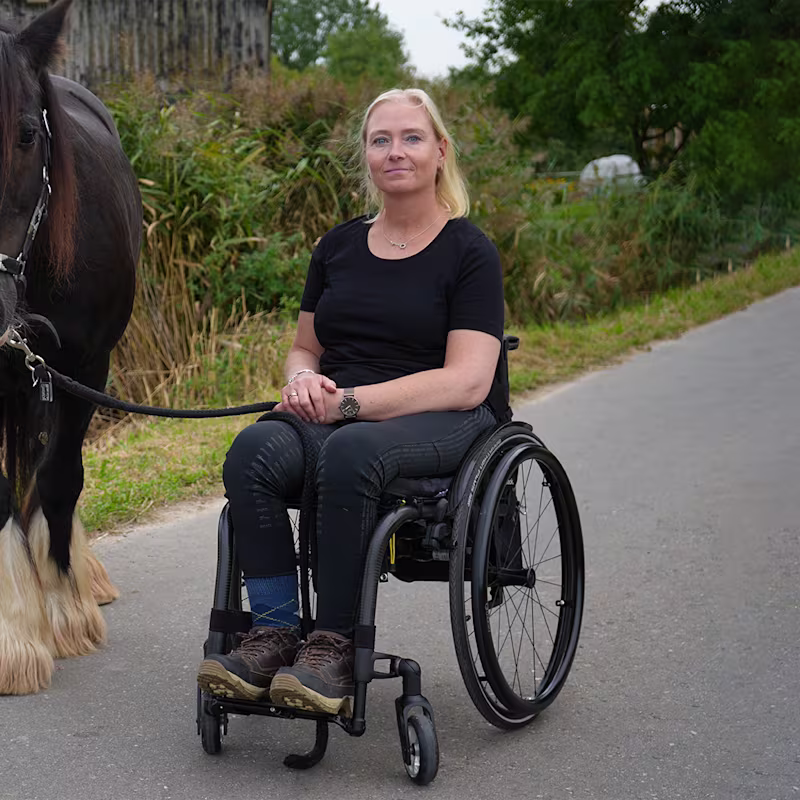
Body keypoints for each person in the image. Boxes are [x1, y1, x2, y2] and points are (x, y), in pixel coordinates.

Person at [196, 88, 508, 717]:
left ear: (440, 152)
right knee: (253, 450)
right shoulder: (336, 247)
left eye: (412, 138)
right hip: (340, 410)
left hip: (443, 416)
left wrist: (350, 405)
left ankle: (332, 646)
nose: (396, 151)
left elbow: (469, 380)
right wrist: (302, 382)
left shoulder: (469, 251)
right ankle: (276, 632)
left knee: (351, 452)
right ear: (365, 156)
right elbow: (303, 349)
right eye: (381, 140)